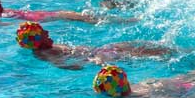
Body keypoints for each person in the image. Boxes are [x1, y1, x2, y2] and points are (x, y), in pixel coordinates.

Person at [15, 21, 174, 70]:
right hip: (97, 56)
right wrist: (94, 61)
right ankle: (174, 55)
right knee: (143, 54)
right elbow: (68, 66)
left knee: (139, 46)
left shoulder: (47, 47)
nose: (48, 32)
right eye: (44, 32)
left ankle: (172, 50)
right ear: (37, 40)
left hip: (99, 50)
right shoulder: (45, 54)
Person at [0, 0, 136, 26]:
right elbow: (3, 25)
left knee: (87, 17)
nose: (0, 1)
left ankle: (120, 19)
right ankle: (124, 21)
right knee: (87, 19)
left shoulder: (4, 10)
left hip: (51, 14)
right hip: (46, 19)